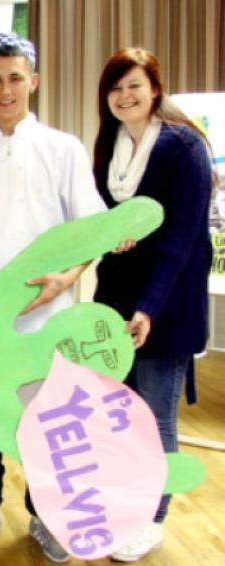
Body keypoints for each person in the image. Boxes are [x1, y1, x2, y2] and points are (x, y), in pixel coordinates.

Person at [0, 33, 106, 562]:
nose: (5, 89)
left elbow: (93, 231)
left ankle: (49, 517)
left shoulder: (63, 149)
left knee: (46, 419)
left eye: (15, 78)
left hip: (45, 313)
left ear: (32, 81)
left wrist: (67, 278)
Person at [92, 47, 213, 562]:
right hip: (114, 303)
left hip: (166, 305)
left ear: (155, 90)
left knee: (154, 415)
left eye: (134, 86)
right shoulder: (109, 145)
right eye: (116, 88)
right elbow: (100, 214)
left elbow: (180, 242)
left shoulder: (184, 149)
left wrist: (148, 309)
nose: (124, 97)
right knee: (119, 413)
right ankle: (125, 504)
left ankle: (152, 519)